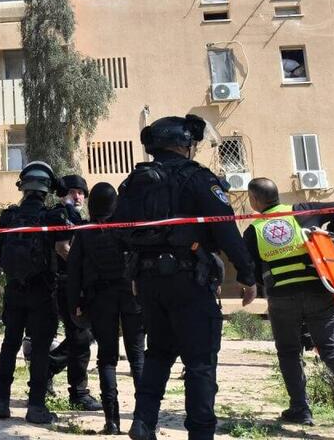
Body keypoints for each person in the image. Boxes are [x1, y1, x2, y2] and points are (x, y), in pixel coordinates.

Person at [112, 114, 257, 440]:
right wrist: (247, 274)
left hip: (148, 283)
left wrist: (137, 264)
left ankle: (144, 421)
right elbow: (225, 229)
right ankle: (201, 433)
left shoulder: (134, 183)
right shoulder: (198, 178)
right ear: (185, 145)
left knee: (159, 353)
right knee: (200, 361)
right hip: (189, 280)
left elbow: (116, 231)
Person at [244, 178, 334, 439]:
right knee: (331, 348)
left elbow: (251, 268)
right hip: (317, 290)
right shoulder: (302, 210)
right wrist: (329, 234)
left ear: (254, 201)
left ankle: (300, 408)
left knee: (288, 351)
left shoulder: (253, 230)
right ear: (277, 195)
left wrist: (255, 284)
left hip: (282, 297)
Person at [0, 161, 70, 425]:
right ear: (47, 189)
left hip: (14, 290)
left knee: (9, 345)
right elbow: (67, 248)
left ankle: (1, 403)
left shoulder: (9, 217)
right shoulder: (52, 216)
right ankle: (36, 407)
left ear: (23, 187)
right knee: (42, 350)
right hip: (43, 292)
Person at [66, 182, 144, 434]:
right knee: (138, 358)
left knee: (107, 359)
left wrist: (75, 304)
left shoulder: (85, 231)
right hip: (131, 297)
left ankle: (111, 421)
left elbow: (74, 271)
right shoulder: (127, 228)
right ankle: (143, 419)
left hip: (100, 298)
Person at [45, 173, 101, 412]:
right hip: (66, 283)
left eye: (81, 193)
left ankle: (46, 368)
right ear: (63, 194)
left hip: (78, 283)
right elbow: (62, 248)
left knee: (85, 334)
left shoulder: (79, 217)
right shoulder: (61, 214)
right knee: (80, 336)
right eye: (73, 192)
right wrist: (85, 269)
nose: (78, 196)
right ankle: (78, 393)